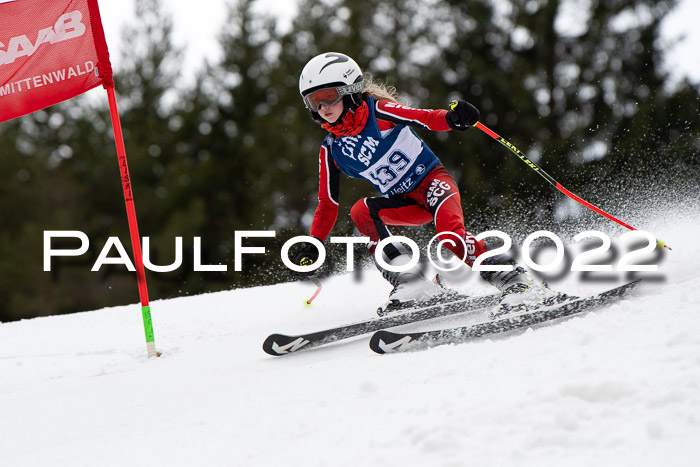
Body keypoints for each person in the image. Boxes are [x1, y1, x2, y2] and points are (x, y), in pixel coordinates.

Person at [294, 52, 559, 315]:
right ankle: (411, 284)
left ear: (350, 90)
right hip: (406, 203)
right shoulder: (331, 149)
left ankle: (518, 281)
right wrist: (314, 242)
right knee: (361, 211)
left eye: (328, 96)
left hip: (433, 184)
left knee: (450, 237)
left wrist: (452, 119)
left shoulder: (378, 111)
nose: (322, 107)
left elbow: (424, 117)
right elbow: (327, 203)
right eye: (313, 101)